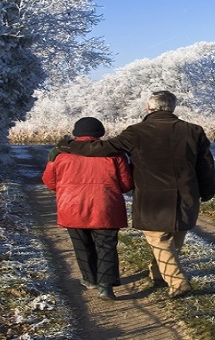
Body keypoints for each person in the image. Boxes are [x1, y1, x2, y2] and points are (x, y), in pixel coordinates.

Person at [56, 90, 215, 298]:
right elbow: (206, 164)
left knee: (159, 238)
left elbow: (102, 149)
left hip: (152, 197)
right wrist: (207, 191)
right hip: (186, 194)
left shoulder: (136, 132)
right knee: (175, 235)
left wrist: (69, 145)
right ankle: (158, 274)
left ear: (148, 108)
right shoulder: (194, 131)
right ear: (173, 107)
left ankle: (177, 282)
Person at [42, 117, 134, 301]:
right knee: (106, 246)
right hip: (106, 206)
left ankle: (89, 279)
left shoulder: (61, 155)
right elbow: (126, 184)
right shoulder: (115, 155)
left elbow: (49, 181)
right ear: (100, 133)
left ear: (76, 134)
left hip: (72, 207)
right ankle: (105, 286)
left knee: (81, 245)